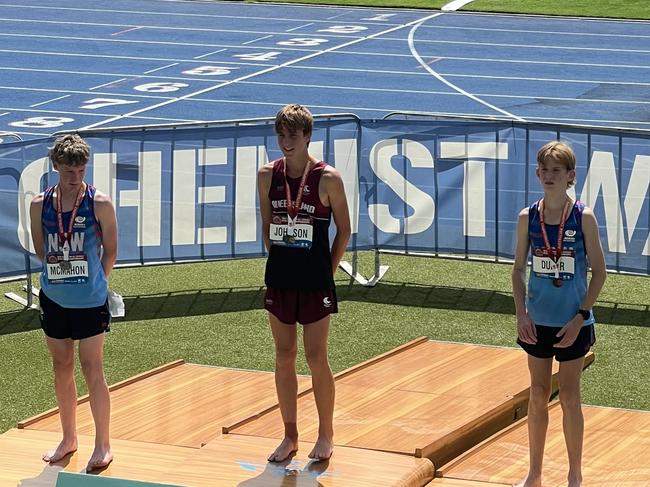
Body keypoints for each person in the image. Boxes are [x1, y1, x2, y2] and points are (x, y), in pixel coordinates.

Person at [257, 104, 351, 462]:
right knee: (284, 356)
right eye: (281, 135)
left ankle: (326, 434)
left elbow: (344, 229)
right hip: (280, 278)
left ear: (308, 136)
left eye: (293, 135)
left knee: (316, 356)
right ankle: (289, 435)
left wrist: (327, 270)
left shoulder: (328, 179)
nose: (285, 142)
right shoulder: (268, 175)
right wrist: (283, 257)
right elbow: (268, 227)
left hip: (315, 282)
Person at [511, 141, 606, 487]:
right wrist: (521, 313)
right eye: (544, 170)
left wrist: (581, 316)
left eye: (556, 171)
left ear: (570, 176)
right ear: (537, 174)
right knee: (537, 393)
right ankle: (534, 473)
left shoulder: (584, 217)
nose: (549, 176)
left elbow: (600, 272)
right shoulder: (528, 217)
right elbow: (517, 270)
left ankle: (574, 475)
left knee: (568, 395)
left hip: (573, 323)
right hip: (537, 322)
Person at [30, 134, 118, 472]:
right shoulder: (40, 203)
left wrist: (97, 282)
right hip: (54, 297)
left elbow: (111, 250)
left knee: (92, 367)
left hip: (91, 300)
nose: (75, 177)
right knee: (60, 367)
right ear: (55, 167)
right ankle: (68, 438)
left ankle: (103, 443)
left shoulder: (99, 202)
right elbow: (41, 250)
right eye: (69, 171)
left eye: (81, 170)